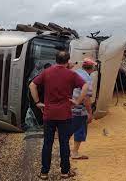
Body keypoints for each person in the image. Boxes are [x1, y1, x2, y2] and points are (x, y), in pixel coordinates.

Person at [29, 51, 88, 180]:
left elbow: (32, 85)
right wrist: (77, 102)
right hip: (65, 114)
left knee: (47, 143)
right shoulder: (71, 74)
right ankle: (65, 172)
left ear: (56, 59)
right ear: (68, 61)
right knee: (64, 143)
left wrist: (38, 102)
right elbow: (85, 86)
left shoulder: (47, 72)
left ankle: (44, 172)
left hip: (49, 114)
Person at [71, 58, 97, 160]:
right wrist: (90, 112)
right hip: (78, 108)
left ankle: (64, 150)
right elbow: (86, 98)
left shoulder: (75, 73)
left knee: (68, 130)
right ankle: (75, 152)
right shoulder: (88, 79)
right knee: (80, 129)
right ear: (92, 68)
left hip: (68, 105)